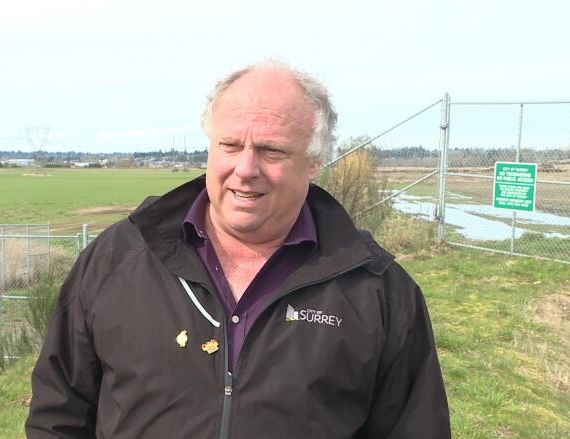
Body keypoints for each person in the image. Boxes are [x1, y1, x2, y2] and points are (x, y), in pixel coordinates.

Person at [26, 60, 450, 438]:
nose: (245, 170)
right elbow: (58, 413)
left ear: (314, 161)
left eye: (271, 150)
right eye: (230, 145)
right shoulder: (117, 260)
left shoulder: (376, 290)